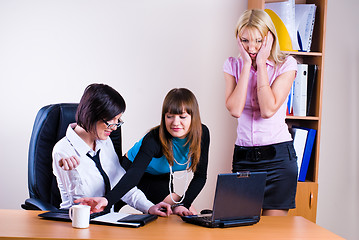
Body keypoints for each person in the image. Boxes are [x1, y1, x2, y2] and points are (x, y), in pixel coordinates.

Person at [74, 88, 210, 216]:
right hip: (130, 171)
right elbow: (134, 174)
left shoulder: (202, 134)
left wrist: (185, 204)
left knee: (186, 211)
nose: (175, 122)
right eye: (170, 116)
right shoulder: (154, 138)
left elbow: (200, 176)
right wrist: (107, 200)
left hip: (160, 176)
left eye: (182, 117)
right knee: (106, 211)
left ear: (193, 117)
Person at [52, 83, 171, 216]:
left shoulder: (105, 142)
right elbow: (81, 204)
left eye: (118, 120)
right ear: (91, 115)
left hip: (107, 221)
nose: (114, 127)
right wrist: (73, 172)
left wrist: (149, 207)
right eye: (110, 120)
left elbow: (120, 183)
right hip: (77, 222)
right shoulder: (63, 150)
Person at [223, 9, 298, 216]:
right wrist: (247, 65)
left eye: (258, 40)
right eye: (245, 40)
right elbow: (235, 110)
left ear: (269, 38)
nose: (252, 47)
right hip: (244, 158)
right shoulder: (233, 65)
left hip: (278, 160)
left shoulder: (286, 65)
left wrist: (263, 65)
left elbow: (268, 109)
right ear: (238, 38)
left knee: (272, 234)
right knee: (241, 227)